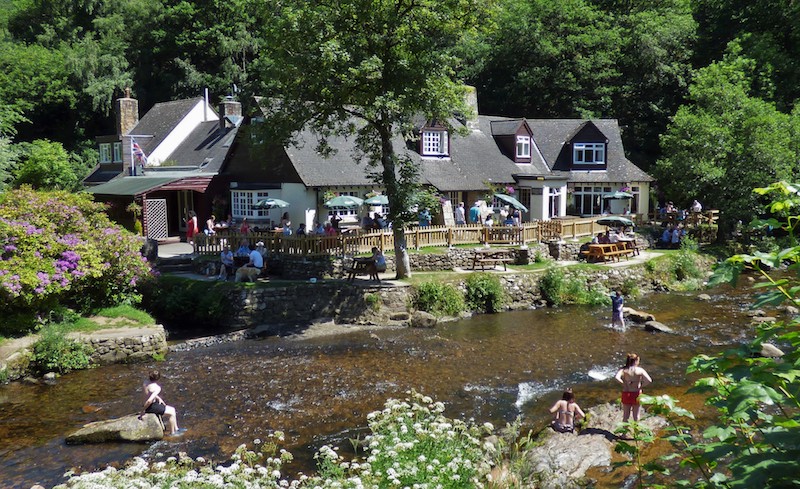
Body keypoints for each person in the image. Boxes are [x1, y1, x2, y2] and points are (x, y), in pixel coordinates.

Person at [615, 353, 652, 422]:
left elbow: (617, 377)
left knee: (626, 416)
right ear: (636, 361)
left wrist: (623, 383)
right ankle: (636, 431)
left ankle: (624, 432)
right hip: (636, 393)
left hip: (626, 393)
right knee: (636, 416)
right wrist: (641, 385)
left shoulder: (624, 369)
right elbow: (649, 380)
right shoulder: (640, 370)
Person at [140, 370, 179, 434]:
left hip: (147, 404)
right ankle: (172, 433)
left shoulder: (145, 382)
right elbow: (149, 400)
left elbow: (149, 392)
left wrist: (159, 398)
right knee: (171, 413)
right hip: (150, 407)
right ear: (158, 378)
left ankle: (176, 428)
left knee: (173, 409)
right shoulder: (157, 388)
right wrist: (142, 411)